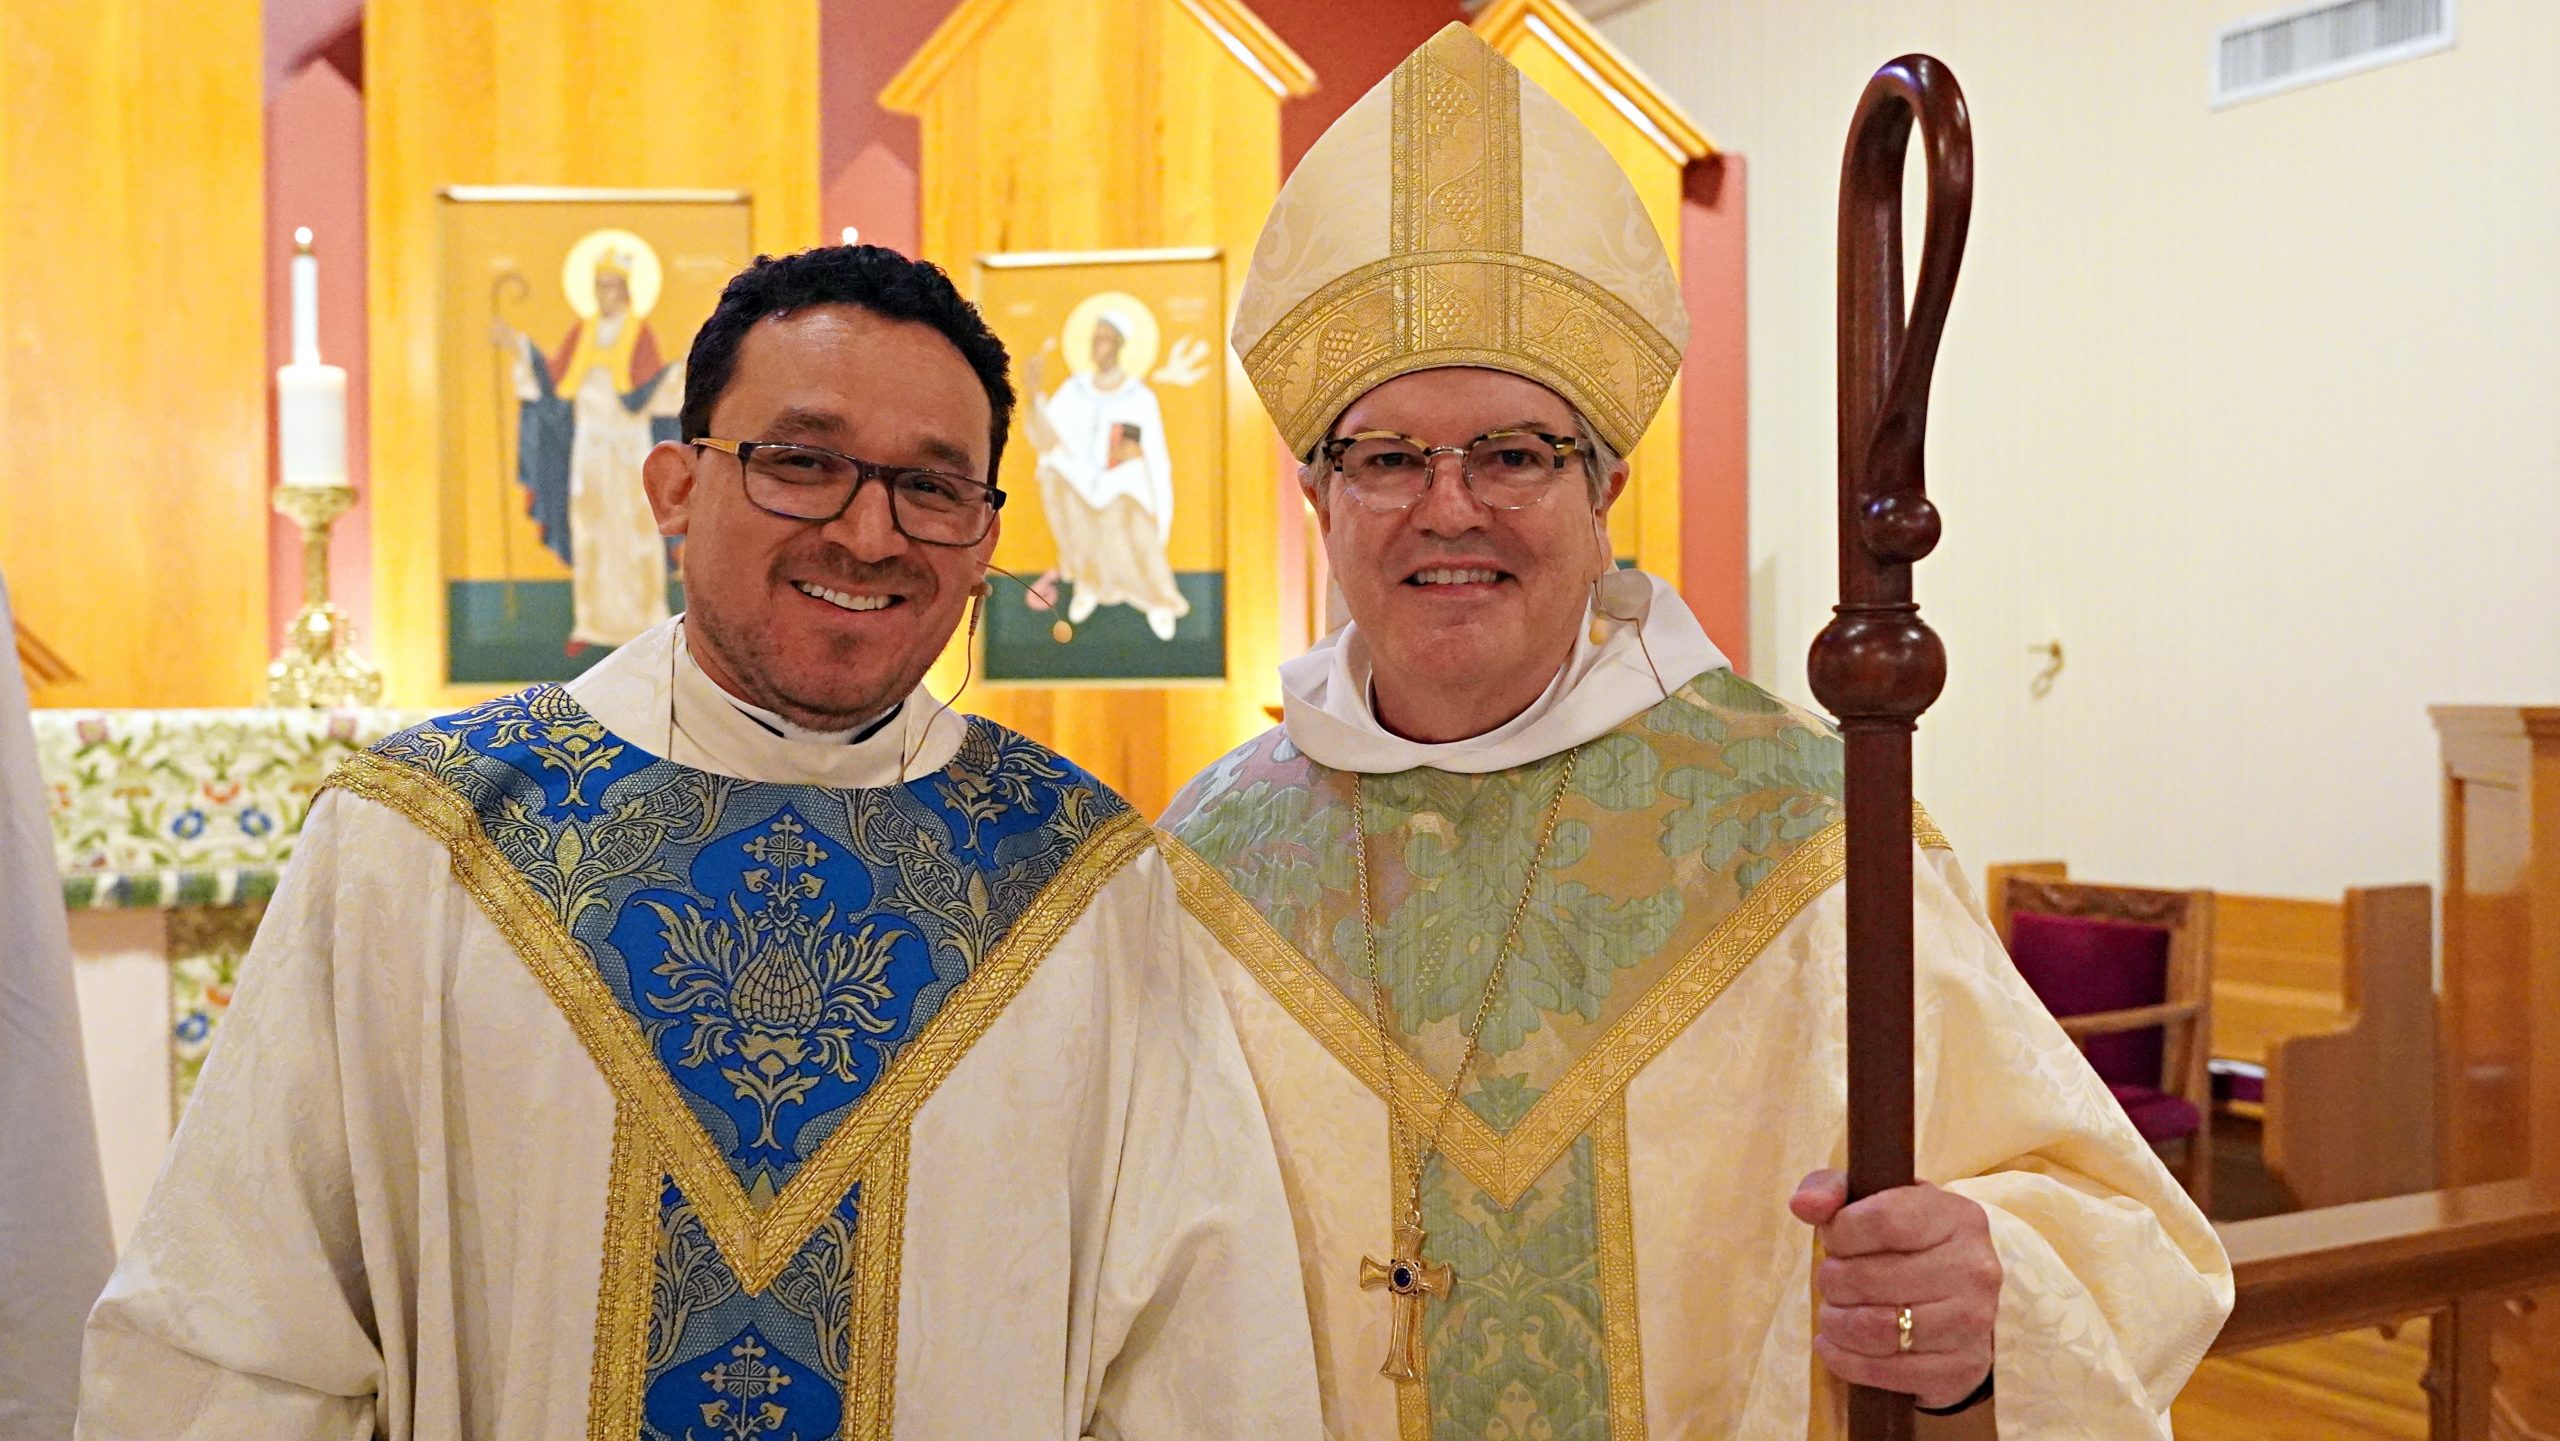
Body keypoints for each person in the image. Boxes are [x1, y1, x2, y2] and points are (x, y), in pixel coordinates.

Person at [1158, 25, 2231, 1439]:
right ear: (1319, 498)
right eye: (1388, 458)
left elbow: (2112, 1230)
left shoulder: (1797, 828)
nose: (1449, 506)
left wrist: (1983, 1301)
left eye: (1515, 453)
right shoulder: (1209, 863)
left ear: (1605, 489)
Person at [81, 245, 1323, 1440]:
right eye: (803, 462)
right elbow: (241, 1333)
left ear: (984, 538)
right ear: (674, 487)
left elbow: (1198, 1363)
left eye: (932, 487)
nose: (869, 533)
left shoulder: (1077, 882)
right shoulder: (424, 840)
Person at [498, 245, 681, 652]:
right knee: (590, 528)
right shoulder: (582, 332)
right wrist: (520, 347)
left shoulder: (639, 333)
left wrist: (679, 372)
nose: (604, 293)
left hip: (629, 449)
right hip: (589, 448)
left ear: (626, 290)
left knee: (635, 527)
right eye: (599, 286)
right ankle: (592, 624)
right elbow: (553, 381)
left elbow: (654, 390)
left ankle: (644, 623)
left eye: (611, 286)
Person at [1021, 307, 1189, 640]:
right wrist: (1033, 393)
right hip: (1083, 482)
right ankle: (1089, 585)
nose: (1098, 346)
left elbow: (1156, 460)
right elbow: (1046, 439)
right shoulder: (1075, 389)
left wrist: (1163, 517)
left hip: (1125, 489)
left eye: (1106, 339)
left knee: (1126, 517)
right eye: (1095, 339)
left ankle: (1157, 601)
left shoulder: (1140, 398)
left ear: (1119, 346)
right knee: (1054, 475)